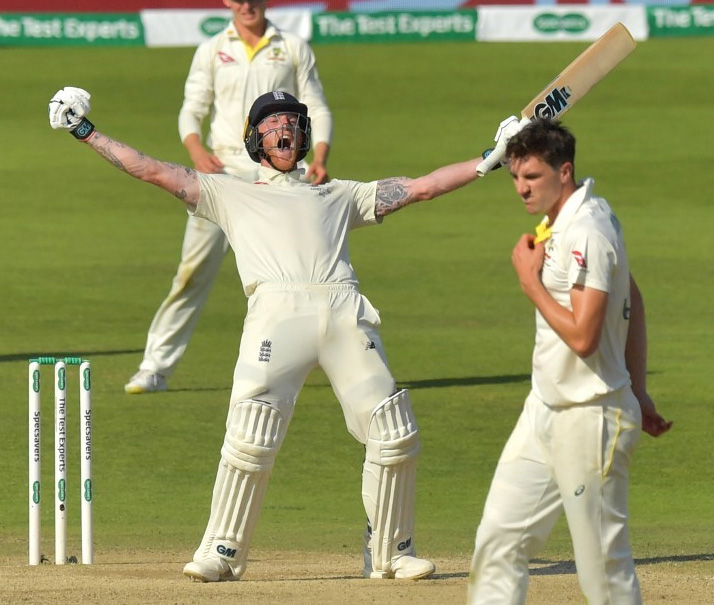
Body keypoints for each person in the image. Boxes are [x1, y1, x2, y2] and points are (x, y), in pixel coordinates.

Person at [48, 86, 487, 581]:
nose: (284, 130)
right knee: (250, 438)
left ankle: (392, 552)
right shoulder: (228, 192)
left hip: (344, 312)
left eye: (292, 123)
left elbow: (423, 186)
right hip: (276, 316)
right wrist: (83, 130)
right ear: (255, 138)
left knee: (394, 433)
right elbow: (151, 169)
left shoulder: (339, 194)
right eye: (273, 123)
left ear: (303, 136)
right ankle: (221, 552)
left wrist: (491, 158)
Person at [467, 119, 673, 604]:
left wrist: (530, 283)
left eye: (531, 177)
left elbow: (584, 337)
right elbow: (633, 297)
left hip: (591, 417)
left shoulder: (588, 232)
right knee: (498, 543)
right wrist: (639, 388)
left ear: (564, 172)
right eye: (515, 177)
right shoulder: (566, 220)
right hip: (544, 409)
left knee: (603, 570)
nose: (521, 188)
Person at [124, 0, 333, 395]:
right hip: (224, 174)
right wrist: (196, 151)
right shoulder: (213, 49)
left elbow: (316, 107)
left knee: (305, 271)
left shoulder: (291, 46)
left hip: (280, 173)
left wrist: (319, 156)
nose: (247, 5)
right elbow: (192, 109)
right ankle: (155, 367)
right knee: (193, 271)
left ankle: (325, 359)